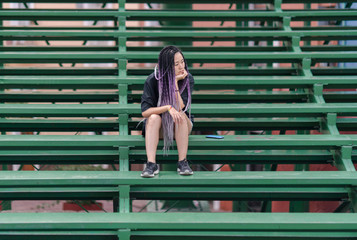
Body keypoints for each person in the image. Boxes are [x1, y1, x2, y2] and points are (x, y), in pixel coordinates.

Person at [140, 45, 194, 178]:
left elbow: (181, 107)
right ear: (166, 67)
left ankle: (183, 162)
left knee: (180, 115)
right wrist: (168, 107)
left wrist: (174, 83)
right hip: (159, 127)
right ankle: (151, 164)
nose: (182, 67)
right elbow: (145, 112)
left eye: (182, 62)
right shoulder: (153, 80)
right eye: (176, 64)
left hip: (181, 127)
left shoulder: (187, 79)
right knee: (153, 117)